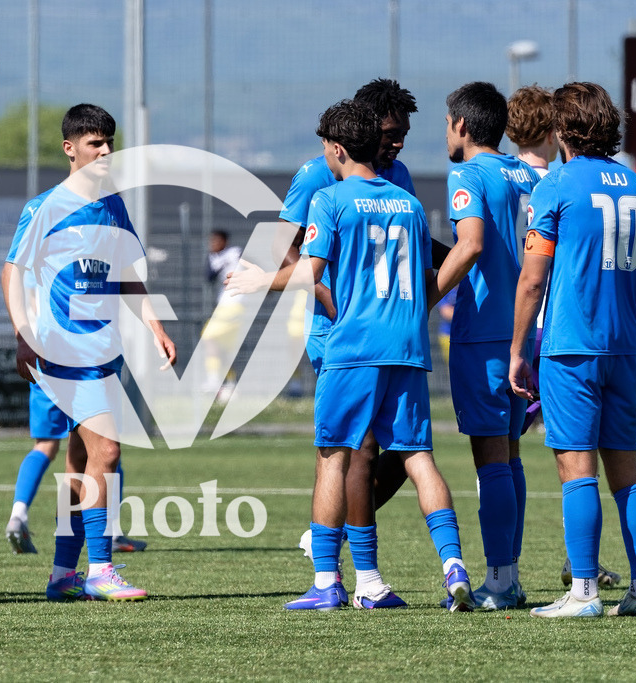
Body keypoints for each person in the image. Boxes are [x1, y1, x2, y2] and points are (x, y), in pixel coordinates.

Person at [233, 100, 473, 612]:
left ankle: (328, 582)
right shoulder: (408, 203)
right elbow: (427, 269)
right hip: (407, 348)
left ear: (337, 149)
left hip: (352, 347)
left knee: (333, 459)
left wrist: (259, 281)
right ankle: (453, 566)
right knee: (417, 458)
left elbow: (309, 271)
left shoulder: (330, 198)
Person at [4, 103, 176, 602]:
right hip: (64, 350)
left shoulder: (113, 205)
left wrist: (154, 325)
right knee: (108, 451)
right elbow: (12, 271)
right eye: (94, 144)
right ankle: (100, 569)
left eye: (108, 143)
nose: (104, 152)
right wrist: (21, 335)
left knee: (80, 465)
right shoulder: (45, 207)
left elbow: (125, 275)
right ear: (70, 149)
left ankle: (62, 574)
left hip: (104, 349)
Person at [510, 82, 636, 618]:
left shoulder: (556, 184)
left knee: (577, 468)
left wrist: (517, 349)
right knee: (628, 471)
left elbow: (532, 279)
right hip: (623, 348)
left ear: (561, 129)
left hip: (572, 348)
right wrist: (626, 325)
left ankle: (584, 591)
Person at [506, 84, 622, 590]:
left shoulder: (538, 184)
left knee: (550, 460)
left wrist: (515, 347)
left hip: (551, 336)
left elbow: (527, 274)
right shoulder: (622, 184)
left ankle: (566, 581)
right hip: (602, 336)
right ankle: (623, 581)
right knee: (611, 463)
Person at [435, 81, 539, 610]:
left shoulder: (468, 173)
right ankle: (510, 574)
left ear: (463, 127)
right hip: (527, 330)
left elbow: (471, 243)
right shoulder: (525, 172)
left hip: (486, 334)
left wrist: (426, 297)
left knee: (490, 461)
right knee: (512, 455)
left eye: (447, 121)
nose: (446, 131)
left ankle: (498, 582)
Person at [2, 387, 145, 555]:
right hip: (83, 374)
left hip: (45, 370)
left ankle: (18, 515)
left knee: (44, 445)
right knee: (106, 448)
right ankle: (112, 533)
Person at [201, 229, 244, 401]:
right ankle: (231, 386)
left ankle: (213, 380)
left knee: (208, 336)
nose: (213, 245)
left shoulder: (236, 253)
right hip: (225, 307)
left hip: (233, 305)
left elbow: (253, 265)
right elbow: (208, 277)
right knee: (224, 350)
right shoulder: (215, 258)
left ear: (225, 241)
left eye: (216, 241)